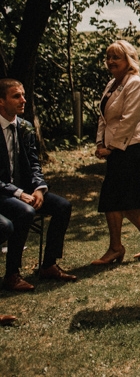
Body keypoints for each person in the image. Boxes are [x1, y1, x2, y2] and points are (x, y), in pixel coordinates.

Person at [0, 78, 77, 291]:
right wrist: (17, 193)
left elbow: (34, 164)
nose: (23, 100)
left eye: (23, 95)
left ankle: (49, 265)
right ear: (1, 101)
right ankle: (12, 274)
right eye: (16, 96)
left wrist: (39, 189)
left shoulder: (24, 127)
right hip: (3, 194)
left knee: (62, 206)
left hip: (24, 190)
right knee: (25, 212)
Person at [92, 40, 140, 265]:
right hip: (114, 148)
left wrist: (111, 147)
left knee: (114, 198)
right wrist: (99, 144)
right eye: (108, 57)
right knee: (123, 199)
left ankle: (116, 248)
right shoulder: (112, 84)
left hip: (130, 148)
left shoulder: (136, 84)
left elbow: (129, 120)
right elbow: (104, 117)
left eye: (116, 57)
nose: (111, 61)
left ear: (129, 60)